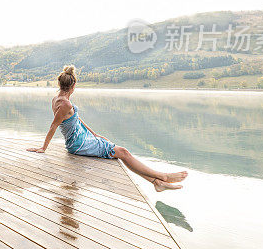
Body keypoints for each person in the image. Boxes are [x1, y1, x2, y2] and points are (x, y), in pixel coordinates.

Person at [28, 65, 188, 192]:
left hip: (81, 140)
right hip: (79, 144)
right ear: (74, 85)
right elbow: (53, 126)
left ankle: (156, 182)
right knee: (123, 152)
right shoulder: (65, 104)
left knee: (119, 152)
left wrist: (95, 134)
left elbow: (75, 120)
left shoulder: (58, 99)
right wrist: (43, 148)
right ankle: (163, 177)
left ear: (59, 84)